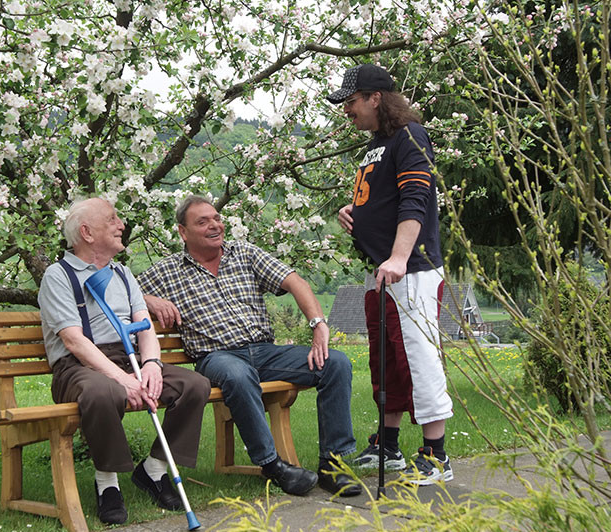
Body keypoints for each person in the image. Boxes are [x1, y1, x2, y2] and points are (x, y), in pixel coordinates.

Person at [138, 195, 361, 498]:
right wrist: (147, 299)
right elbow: (121, 291)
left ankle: (333, 465)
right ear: (182, 232)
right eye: (202, 222)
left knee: (335, 363)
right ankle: (272, 465)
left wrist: (318, 324)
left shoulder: (244, 253)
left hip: (265, 352)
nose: (214, 225)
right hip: (216, 356)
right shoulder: (167, 271)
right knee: (238, 375)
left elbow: (295, 282)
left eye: (216, 218)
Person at [38, 197, 211, 524]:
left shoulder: (122, 273)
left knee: (195, 385)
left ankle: (155, 470)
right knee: (104, 392)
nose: (121, 225)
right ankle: (107, 484)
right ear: (87, 233)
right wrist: (123, 379)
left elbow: (143, 325)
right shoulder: (58, 276)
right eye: (113, 219)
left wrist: (151, 365)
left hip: (127, 358)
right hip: (77, 367)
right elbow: (74, 341)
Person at [327, 63, 454, 485]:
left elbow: (416, 199)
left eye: (351, 102)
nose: (347, 111)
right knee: (387, 362)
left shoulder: (410, 136)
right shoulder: (374, 146)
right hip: (382, 272)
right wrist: (355, 213)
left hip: (410, 270)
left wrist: (400, 257)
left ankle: (437, 456)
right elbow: (382, 198)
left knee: (418, 358)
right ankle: (389, 444)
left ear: (375, 98)